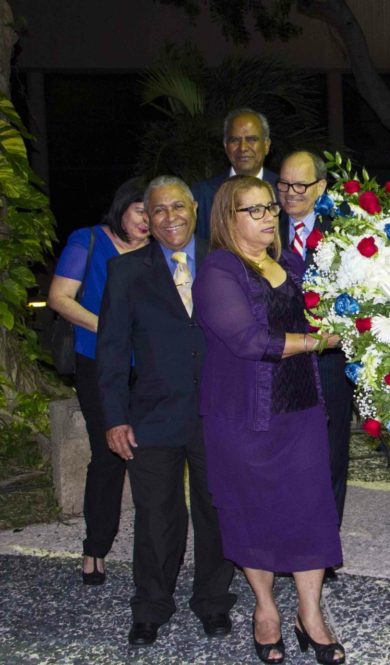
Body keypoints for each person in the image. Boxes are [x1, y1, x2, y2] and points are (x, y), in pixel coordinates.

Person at [193, 175, 344, 665]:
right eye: (252, 210)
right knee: (251, 512)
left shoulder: (289, 264)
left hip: (300, 409)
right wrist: (320, 341)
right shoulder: (218, 270)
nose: (266, 217)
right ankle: (265, 611)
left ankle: (310, 614)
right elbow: (249, 341)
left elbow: (319, 312)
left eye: (269, 209)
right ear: (227, 218)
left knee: (310, 511)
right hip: (243, 418)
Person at [98, 176, 236, 646]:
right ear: (147, 220)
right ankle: (151, 606)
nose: (170, 217)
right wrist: (114, 417)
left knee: (216, 513)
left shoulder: (226, 262)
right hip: (153, 416)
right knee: (157, 518)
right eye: (158, 210)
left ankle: (214, 602)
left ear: (195, 210)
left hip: (218, 412)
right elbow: (112, 351)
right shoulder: (126, 272)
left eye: (178, 207)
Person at [48, 177, 150, 586]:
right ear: (122, 206)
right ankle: (95, 546)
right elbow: (59, 298)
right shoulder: (88, 239)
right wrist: (110, 329)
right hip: (97, 363)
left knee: (151, 457)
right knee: (107, 454)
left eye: (155, 211)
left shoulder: (162, 253)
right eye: (141, 210)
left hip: (148, 367)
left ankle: (156, 549)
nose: (148, 219)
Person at [276, 151, 354, 553]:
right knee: (283, 456)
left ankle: (324, 542)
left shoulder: (344, 233)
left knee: (330, 452)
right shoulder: (264, 228)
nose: (290, 194)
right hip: (277, 361)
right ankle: (285, 538)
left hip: (329, 360)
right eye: (284, 184)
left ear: (321, 188)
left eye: (300, 186)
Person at [192, 108, 278, 241]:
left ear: (266, 145)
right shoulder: (203, 194)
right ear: (226, 146)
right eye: (235, 140)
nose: (243, 148)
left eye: (251, 139)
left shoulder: (284, 191)